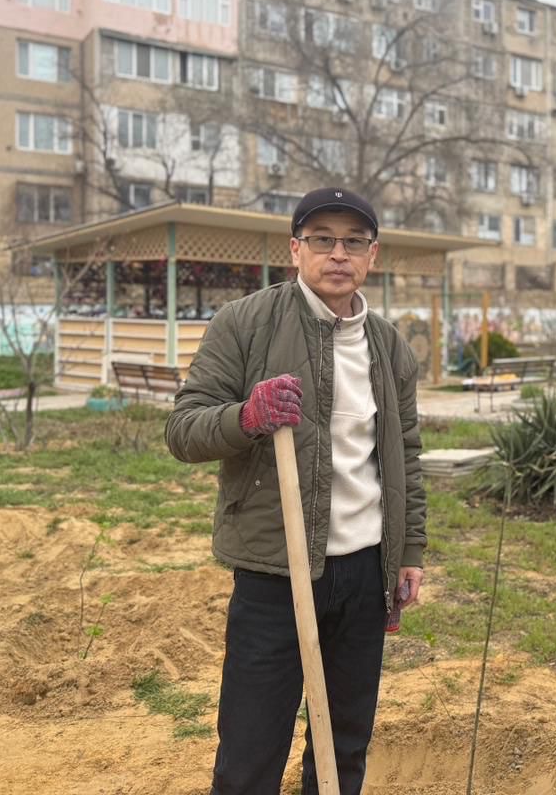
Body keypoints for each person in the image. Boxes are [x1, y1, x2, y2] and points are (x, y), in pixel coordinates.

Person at [165, 187, 425, 795]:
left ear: (372, 255)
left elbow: (405, 457)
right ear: (295, 249)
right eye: (322, 239)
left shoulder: (390, 347)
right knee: (251, 750)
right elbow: (183, 431)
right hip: (275, 571)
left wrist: (408, 551)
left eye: (353, 242)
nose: (338, 253)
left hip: (364, 571)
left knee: (344, 747)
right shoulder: (244, 324)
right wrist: (246, 418)